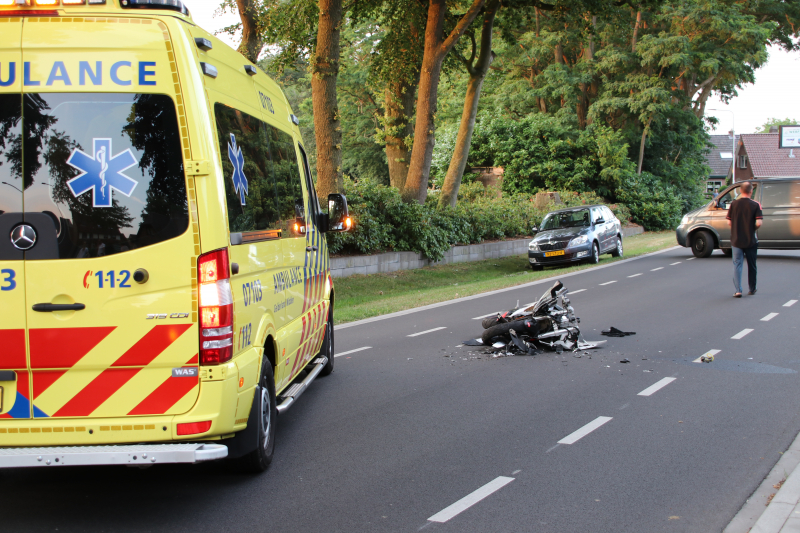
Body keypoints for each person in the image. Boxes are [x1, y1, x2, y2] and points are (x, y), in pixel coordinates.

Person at [726, 181, 762, 297]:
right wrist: (752, 228)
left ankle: (738, 290)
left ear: (740, 191)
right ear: (751, 191)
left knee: (737, 264)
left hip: (736, 240)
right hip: (751, 239)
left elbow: (729, 222)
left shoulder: (733, 204)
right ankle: (752, 288)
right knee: (752, 265)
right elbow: (759, 223)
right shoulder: (756, 205)